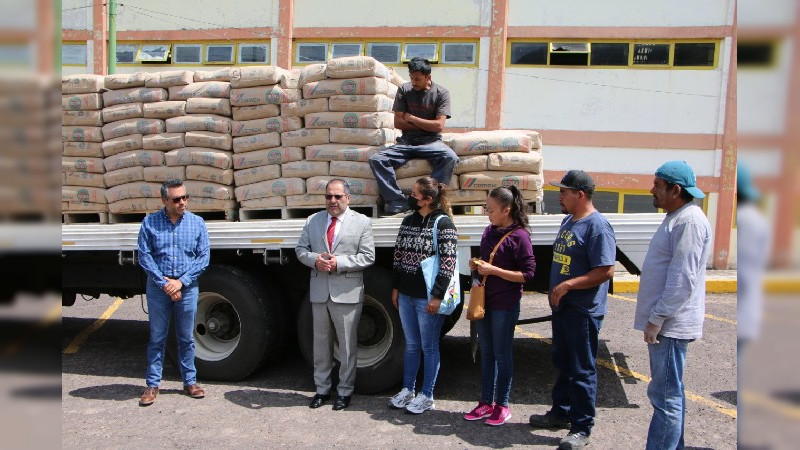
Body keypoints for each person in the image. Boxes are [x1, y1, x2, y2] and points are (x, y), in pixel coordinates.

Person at [529, 170, 616, 450]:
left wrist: (567, 286)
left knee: (582, 369)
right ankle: (561, 412)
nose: (560, 195)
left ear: (580, 195)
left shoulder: (597, 226)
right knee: (563, 363)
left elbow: (605, 270)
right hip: (563, 309)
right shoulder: (569, 221)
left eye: (564, 191)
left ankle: (581, 427)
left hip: (582, 310)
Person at [635, 161, 712, 450]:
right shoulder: (677, 217)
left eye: (657, 185)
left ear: (675, 189)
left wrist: (657, 318)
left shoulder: (689, 221)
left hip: (671, 326)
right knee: (671, 394)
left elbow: (682, 279)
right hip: (667, 324)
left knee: (665, 397)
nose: (652, 190)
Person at [295, 179, 375, 411]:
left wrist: (339, 262)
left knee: (347, 345)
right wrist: (314, 260)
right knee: (321, 345)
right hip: (320, 292)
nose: (332, 200)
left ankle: (345, 391)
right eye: (329, 196)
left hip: (347, 293)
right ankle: (321, 390)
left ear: (347, 198)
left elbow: (368, 257)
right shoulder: (313, 220)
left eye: (338, 196)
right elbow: (300, 250)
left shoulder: (361, 222)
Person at [463, 186, 536, 426]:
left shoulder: (520, 236)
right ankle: (486, 403)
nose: (487, 213)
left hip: (505, 304)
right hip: (486, 301)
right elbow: (489, 262)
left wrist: (494, 270)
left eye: (491, 209)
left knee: (502, 355)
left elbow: (528, 274)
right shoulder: (489, 231)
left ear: (507, 209)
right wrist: (478, 265)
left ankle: (502, 405)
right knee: (487, 353)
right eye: (486, 208)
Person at [136, 178, 210, 407]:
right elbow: (144, 256)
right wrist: (165, 284)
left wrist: (181, 283)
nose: (182, 202)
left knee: (186, 338)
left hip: (187, 289)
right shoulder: (150, 223)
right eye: (177, 199)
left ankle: (190, 382)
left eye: (185, 197)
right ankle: (152, 384)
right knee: (157, 338)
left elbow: (203, 257)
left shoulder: (197, 223)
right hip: (159, 289)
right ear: (164, 200)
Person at [388, 176, 458, 414]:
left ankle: (427, 394)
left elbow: (448, 262)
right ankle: (408, 389)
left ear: (427, 199)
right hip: (406, 295)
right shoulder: (408, 221)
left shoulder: (444, 223)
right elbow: (398, 256)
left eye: (415, 194)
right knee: (411, 345)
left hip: (426, 297)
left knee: (429, 347)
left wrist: (437, 296)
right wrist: (396, 288)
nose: (410, 196)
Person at [369, 57, 458, 217]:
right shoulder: (404, 90)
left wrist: (412, 118)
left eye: (418, 79)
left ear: (428, 77)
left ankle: (431, 200)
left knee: (450, 157)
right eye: (411, 78)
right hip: (407, 142)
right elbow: (398, 122)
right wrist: (425, 123)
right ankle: (397, 201)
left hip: (431, 142)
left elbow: (438, 126)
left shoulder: (441, 93)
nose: (414, 82)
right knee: (377, 159)